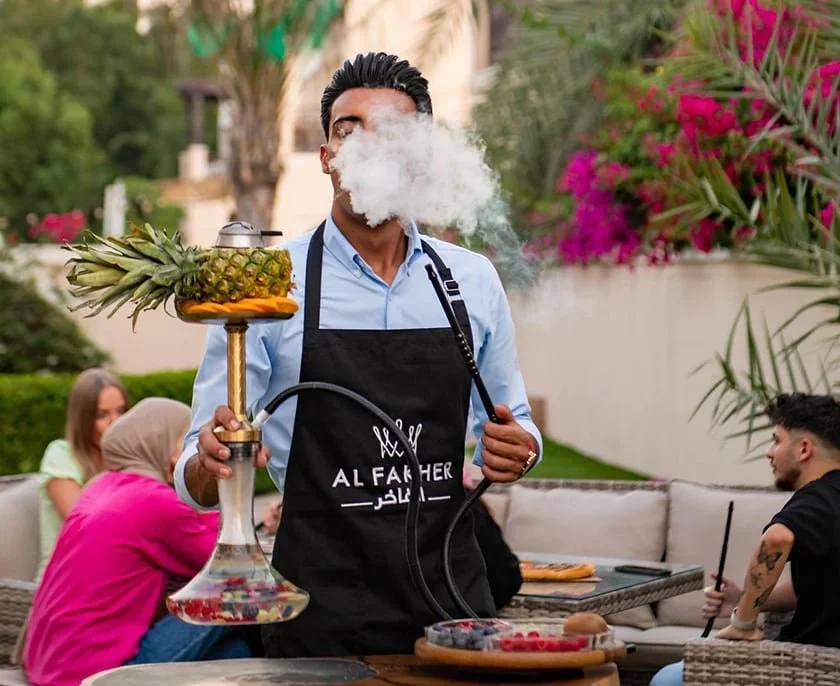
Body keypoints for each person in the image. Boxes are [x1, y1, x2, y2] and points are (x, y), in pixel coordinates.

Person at [175, 51, 543, 658]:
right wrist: (213, 461)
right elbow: (193, 473)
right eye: (349, 131)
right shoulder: (270, 281)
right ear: (326, 158)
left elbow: (516, 428)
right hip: (318, 607)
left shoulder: (471, 281)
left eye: (390, 132)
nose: (367, 148)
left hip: (450, 600)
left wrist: (516, 452)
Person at [23, 398, 253, 686]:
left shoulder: (101, 485)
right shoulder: (154, 501)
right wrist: (203, 488)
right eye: (186, 441)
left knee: (234, 653)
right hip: (98, 672)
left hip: (49, 663)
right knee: (236, 599)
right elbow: (233, 567)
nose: (192, 454)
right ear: (161, 442)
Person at [651, 392, 840, 685]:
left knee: (668, 679)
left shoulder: (817, 498)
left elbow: (777, 539)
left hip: (807, 664)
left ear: (804, 449)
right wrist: (745, 599)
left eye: (777, 440)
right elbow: (816, 587)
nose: (769, 452)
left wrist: (744, 623)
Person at [36, 367, 128, 581]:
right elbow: (84, 525)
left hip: (115, 576)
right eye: (102, 415)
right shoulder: (61, 454)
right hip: (64, 582)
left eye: (120, 411)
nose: (115, 422)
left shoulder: (127, 457)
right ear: (82, 419)